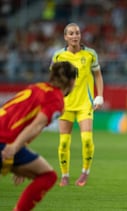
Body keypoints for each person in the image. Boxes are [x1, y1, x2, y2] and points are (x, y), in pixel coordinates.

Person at [0, 61, 77, 211]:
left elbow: (17, 117)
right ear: (72, 81)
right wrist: (15, 148)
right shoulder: (56, 100)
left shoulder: (36, 87)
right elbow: (37, 125)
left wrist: (21, 153)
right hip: (4, 141)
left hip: (5, 137)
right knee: (48, 176)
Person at [50, 23, 104, 187]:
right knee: (64, 143)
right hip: (65, 104)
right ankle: (65, 175)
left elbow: (98, 76)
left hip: (84, 105)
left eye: (77, 33)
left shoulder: (90, 54)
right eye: (71, 33)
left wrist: (100, 96)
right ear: (65, 37)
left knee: (87, 140)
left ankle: (84, 173)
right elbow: (53, 80)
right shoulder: (58, 56)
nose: (75, 36)